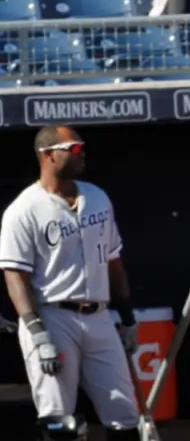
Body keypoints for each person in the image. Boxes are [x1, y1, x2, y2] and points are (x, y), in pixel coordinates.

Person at [0, 126, 141, 441]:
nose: (82, 153)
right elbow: (15, 277)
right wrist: (38, 334)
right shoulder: (23, 210)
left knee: (124, 412)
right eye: (73, 148)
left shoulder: (97, 196)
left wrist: (128, 317)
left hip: (99, 315)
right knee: (58, 417)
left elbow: (113, 260)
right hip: (53, 316)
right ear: (48, 155)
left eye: (82, 148)